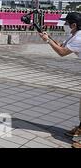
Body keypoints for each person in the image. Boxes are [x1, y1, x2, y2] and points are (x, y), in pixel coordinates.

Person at [39, 12, 81, 148]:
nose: (65, 25)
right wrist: (48, 37)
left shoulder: (79, 37)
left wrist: (47, 40)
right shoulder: (73, 34)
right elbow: (61, 47)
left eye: (67, 23)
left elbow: (62, 53)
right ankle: (80, 128)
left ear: (74, 25)